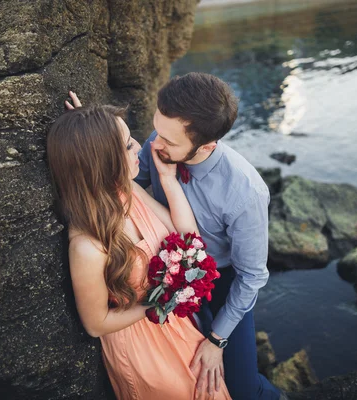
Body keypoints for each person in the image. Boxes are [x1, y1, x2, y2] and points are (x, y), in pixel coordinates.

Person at [47, 103, 231, 400]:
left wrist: (89, 125)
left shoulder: (128, 192)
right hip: (142, 348)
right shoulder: (88, 246)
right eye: (128, 144)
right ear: (104, 160)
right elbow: (96, 324)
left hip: (176, 328)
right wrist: (160, 303)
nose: (139, 148)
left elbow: (188, 238)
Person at [134, 72, 285, 400]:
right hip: (162, 270)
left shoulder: (245, 192)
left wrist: (217, 341)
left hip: (221, 284)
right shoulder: (160, 139)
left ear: (207, 146)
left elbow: (252, 277)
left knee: (242, 390)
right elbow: (129, 181)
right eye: (157, 130)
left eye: (169, 142)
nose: (155, 145)